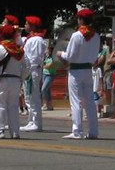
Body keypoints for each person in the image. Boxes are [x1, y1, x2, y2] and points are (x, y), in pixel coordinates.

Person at [59, 8, 101, 140]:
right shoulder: (96, 36)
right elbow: (95, 56)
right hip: (88, 70)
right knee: (90, 101)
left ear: (81, 20)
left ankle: (77, 131)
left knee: (76, 101)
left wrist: (61, 54)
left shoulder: (76, 35)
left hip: (76, 70)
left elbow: (70, 56)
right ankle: (93, 131)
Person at [0, 23, 26, 139]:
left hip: (1, 79)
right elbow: (27, 67)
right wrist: (21, 78)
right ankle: (15, 132)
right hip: (15, 80)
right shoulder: (19, 50)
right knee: (13, 106)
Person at [21, 16, 47, 132]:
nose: (24, 26)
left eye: (27, 24)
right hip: (29, 70)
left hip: (32, 70)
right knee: (28, 97)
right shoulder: (31, 39)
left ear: (32, 26)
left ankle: (36, 123)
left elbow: (34, 58)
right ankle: (31, 121)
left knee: (33, 97)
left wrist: (28, 70)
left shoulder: (36, 40)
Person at [40, 42, 57, 111]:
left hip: (50, 75)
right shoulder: (46, 57)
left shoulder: (54, 58)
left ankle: (45, 104)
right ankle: (49, 105)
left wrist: (42, 66)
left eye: (48, 50)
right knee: (47, 90)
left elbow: (49, 66)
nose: (47, 51)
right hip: (44, 74)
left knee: (43, 89)